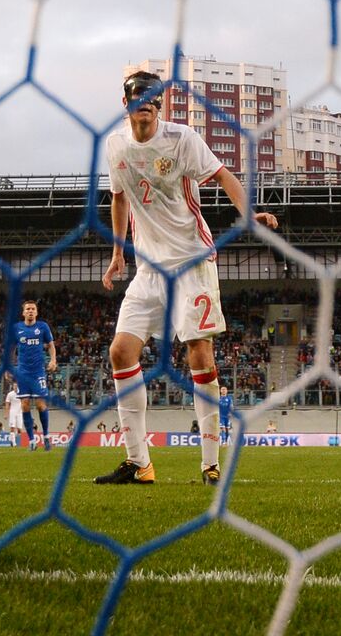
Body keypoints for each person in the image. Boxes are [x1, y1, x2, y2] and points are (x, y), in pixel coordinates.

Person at [95, 70, 279, 486]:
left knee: (199, 355)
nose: (144, 101)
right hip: (148, 268)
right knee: (121, 353)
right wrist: (117, 254)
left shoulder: (182, 140)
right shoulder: (114, 146)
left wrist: (247, 214)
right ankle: (139, 464)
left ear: (161, 104)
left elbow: (224, 176)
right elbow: (120, 198)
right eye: (136, 95)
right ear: (125, 103)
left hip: (192, 261)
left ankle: (211, 463)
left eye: (152, 96)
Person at [8, 299, 57, 452]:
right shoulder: (17, 328)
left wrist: (53, 360)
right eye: (27, 309)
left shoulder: (42, 327)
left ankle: (47, 436)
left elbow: (51, 345)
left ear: (36, 312)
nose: (30, 311)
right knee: (24, 405)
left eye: (33, 309)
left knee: (41, 404)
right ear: (23, 313)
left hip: (38, 372)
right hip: (22, 372)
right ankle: (31, 440)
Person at [4, 383, 24, 448]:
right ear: (13, 386)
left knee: (19, 429)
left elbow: (24, 402)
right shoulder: (10, 394)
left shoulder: (21, 393)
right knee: (12, 427)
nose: (15, 387)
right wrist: (6, 414)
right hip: (12, 412)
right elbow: (7, 404)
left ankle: (12, 439)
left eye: (16, 386)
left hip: (20, 413)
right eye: (14, 386)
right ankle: (14, 444)